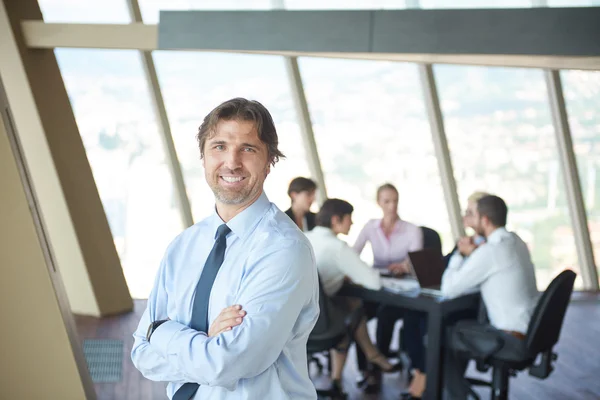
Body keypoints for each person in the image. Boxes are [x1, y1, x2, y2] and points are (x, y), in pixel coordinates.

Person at [131, 98, 320, 400]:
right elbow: (141, 354)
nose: (232, 162)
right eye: (219, 146)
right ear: (203, 157)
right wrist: (206, 341)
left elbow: (226, 363)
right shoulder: (184, 246)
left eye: (248, 148)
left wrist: (161, 333)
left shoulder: (284, 250)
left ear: (269, 160)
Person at [441, 195, 539, 399]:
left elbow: (448, 289)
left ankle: (454, 396)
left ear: (484, 220)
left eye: (472, 214)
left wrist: (461, 254)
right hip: (531, 334)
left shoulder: (490, 252)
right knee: (458, 328)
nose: (468, 219)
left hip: (509, 338)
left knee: (437, 337)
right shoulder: (515, 241)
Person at [305, 198, 400, 397]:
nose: (352, 223)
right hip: (319, 323)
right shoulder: (337, 247)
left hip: (298, 316)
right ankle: (372, 355)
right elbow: (374, 282)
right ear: (336, 220)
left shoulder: (305, 237)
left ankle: (338, 380)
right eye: (349, 218)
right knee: (352, 316)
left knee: (351, 305)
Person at [352, 183, 423, 388]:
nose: (392, 206)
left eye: (395, 200)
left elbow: (416, 262)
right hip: (377, 285)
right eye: (387, 201)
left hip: (402, 289)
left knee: (385, 315)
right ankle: (366, 367)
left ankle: (378, 367)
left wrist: (405, 266)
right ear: (379, 203)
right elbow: (353, 253)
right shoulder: (370, 227)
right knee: (358, 315)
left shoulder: (412, 230)